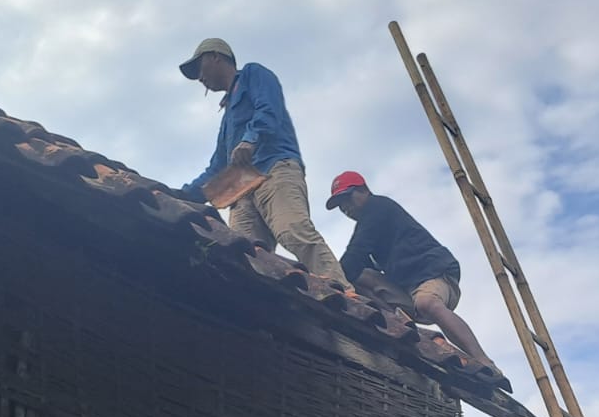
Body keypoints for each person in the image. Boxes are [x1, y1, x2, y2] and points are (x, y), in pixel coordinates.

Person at [177, 39, 348, 286]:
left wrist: (250, 139)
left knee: (292, 230)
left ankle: (342, 290)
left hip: (273, 169)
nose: (199, 78)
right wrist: (187, 194)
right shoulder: (227, 119)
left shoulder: (252, 74)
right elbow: (218, 167)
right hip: (243, 187)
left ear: (216, 56)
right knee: (243, 252)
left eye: (199, 68)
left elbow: (269, 109)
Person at [325, 172, 495, 369]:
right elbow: (355, 265)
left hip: (436, 277)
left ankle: (483, 360)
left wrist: (330, 280)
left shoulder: (378, 207)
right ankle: (398, 327)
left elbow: (356, 251)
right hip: (407, 294)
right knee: (360, 277)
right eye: (340, 205)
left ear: (363, 190)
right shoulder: (370, 225)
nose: (345, 207)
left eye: (347, 198)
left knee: (427, 302)